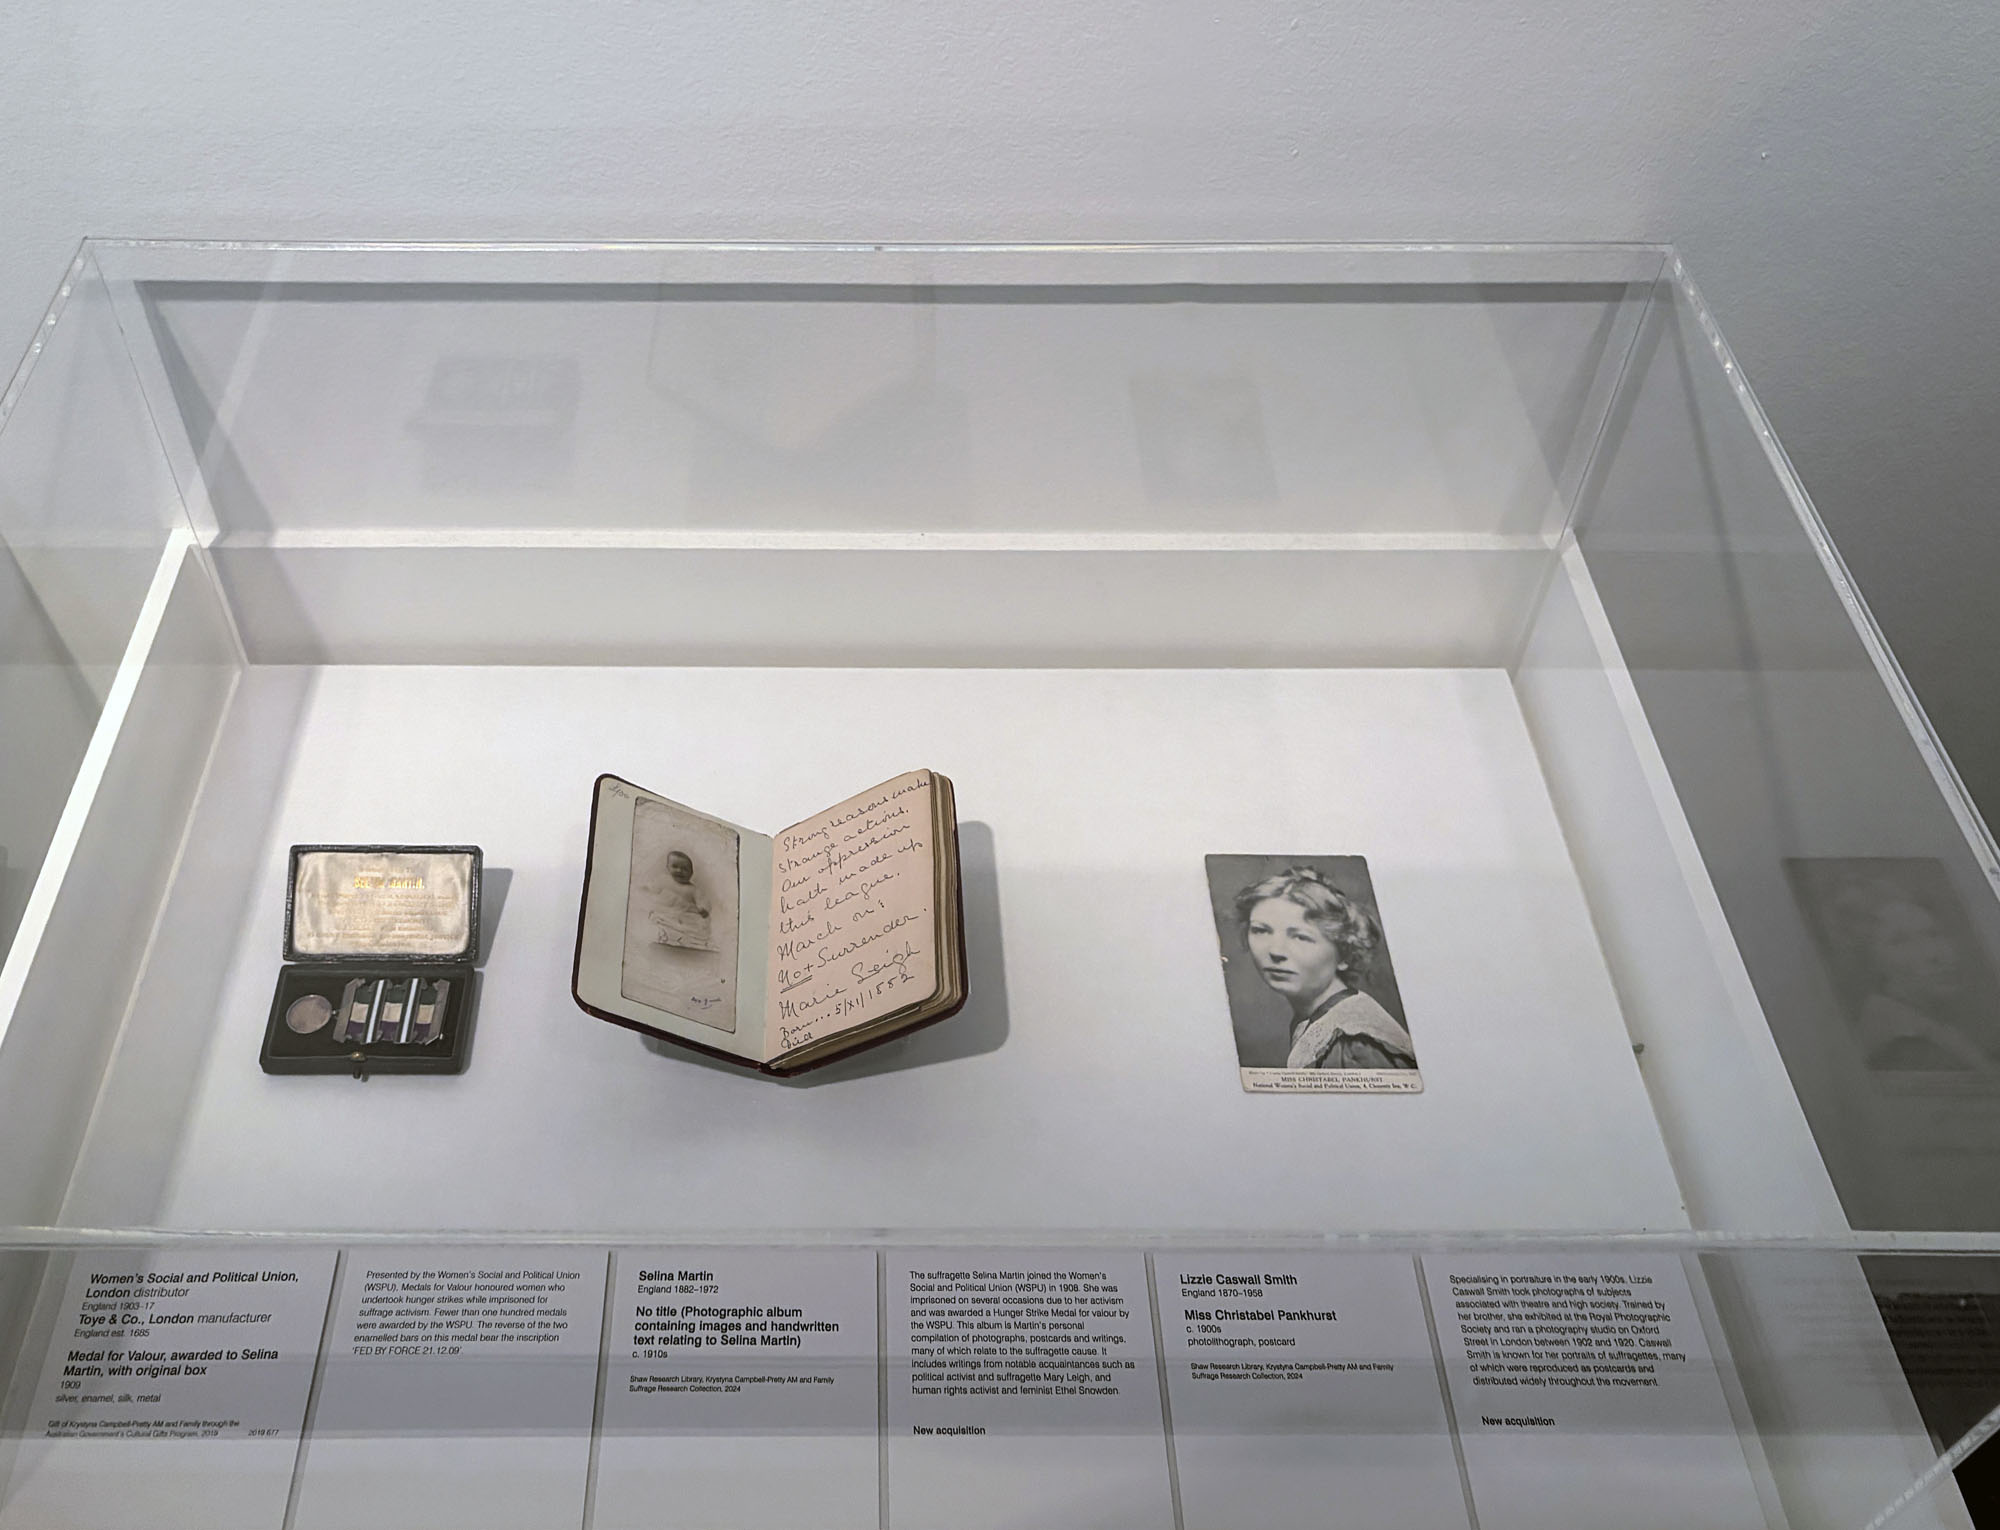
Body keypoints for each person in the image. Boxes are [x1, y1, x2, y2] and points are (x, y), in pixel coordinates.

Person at [1236, 867, 1416, 1070]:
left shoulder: (1353, 1045)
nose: (1276, 951)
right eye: (1261, 930)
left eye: (1300, 937)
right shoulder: (1319, 1021)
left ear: (1344, 953)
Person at [647, 849, 715, 951]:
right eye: (675, 866)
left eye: (685, 869)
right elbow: (651, 889)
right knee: (656, 923)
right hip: (665, 915)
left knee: (692, 929)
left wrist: (703, 908)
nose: (679, 870)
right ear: (668, 868)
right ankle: (664, 937)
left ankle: (685, 941)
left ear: (691, 873)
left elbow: (703, 900)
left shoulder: (693, 889)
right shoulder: (663, 880)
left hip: (684, 918)